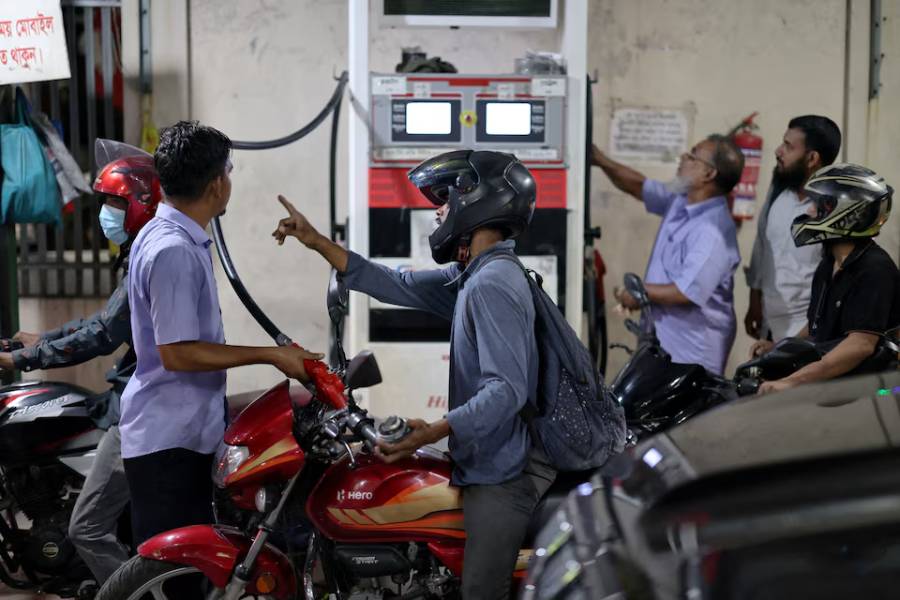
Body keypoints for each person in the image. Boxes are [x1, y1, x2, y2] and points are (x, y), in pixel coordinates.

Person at [273, 150, 556, 600]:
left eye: (445, 198)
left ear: (479, 202)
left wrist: (432, 431)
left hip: (505, 473)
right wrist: (318, 242)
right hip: (485, 458)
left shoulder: (492, 283)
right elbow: (396, 284)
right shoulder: (474, 276)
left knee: (482, 591)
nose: (438, 210)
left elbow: (506, 391)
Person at [121, 120, 322, 548]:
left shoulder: (172, 237)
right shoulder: (172, 250)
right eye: (228, 172)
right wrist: (272, 355)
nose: (229, 181)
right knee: (177, 574)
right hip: (170, 440)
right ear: (216, 185)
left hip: (181, 431)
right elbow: (177, 353)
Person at [0, 150, 160, 594]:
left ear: (142, 203)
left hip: (142, 410)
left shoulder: (150, 254)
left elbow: (103, 335)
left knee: (86, 526)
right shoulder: (143, 251)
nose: (107, 214)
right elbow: (102, 321)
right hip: (148, 402)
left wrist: (24, 360)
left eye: (115, 204)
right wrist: (40, 340)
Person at [590, 135, 744, 375]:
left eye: (692, 155)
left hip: (690, 354)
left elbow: (686, 292)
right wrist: (600, 160)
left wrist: (639, 292)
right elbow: (639, 186)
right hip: (663, 344)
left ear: (709, 174)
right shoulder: (680, 201)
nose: (683, 158)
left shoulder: (712, 231)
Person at [755, 163, 898, 394]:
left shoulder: (875, 269)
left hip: (865, 394)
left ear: (848, 212)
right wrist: (779, 348)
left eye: (822, 205)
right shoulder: (829, 263)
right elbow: (817, 328)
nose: (811, 211)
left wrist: (794, 381)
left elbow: (860, 345)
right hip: (833, 387)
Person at [745, 115, 842, 341]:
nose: (778, 151)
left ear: (812, 158)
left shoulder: (832, 209)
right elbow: (762, 244)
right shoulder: (779, 187)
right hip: (769, 327)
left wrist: (798, 342)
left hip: (808, 335)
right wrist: (754, 299)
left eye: (788, 146)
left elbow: (840, 281)